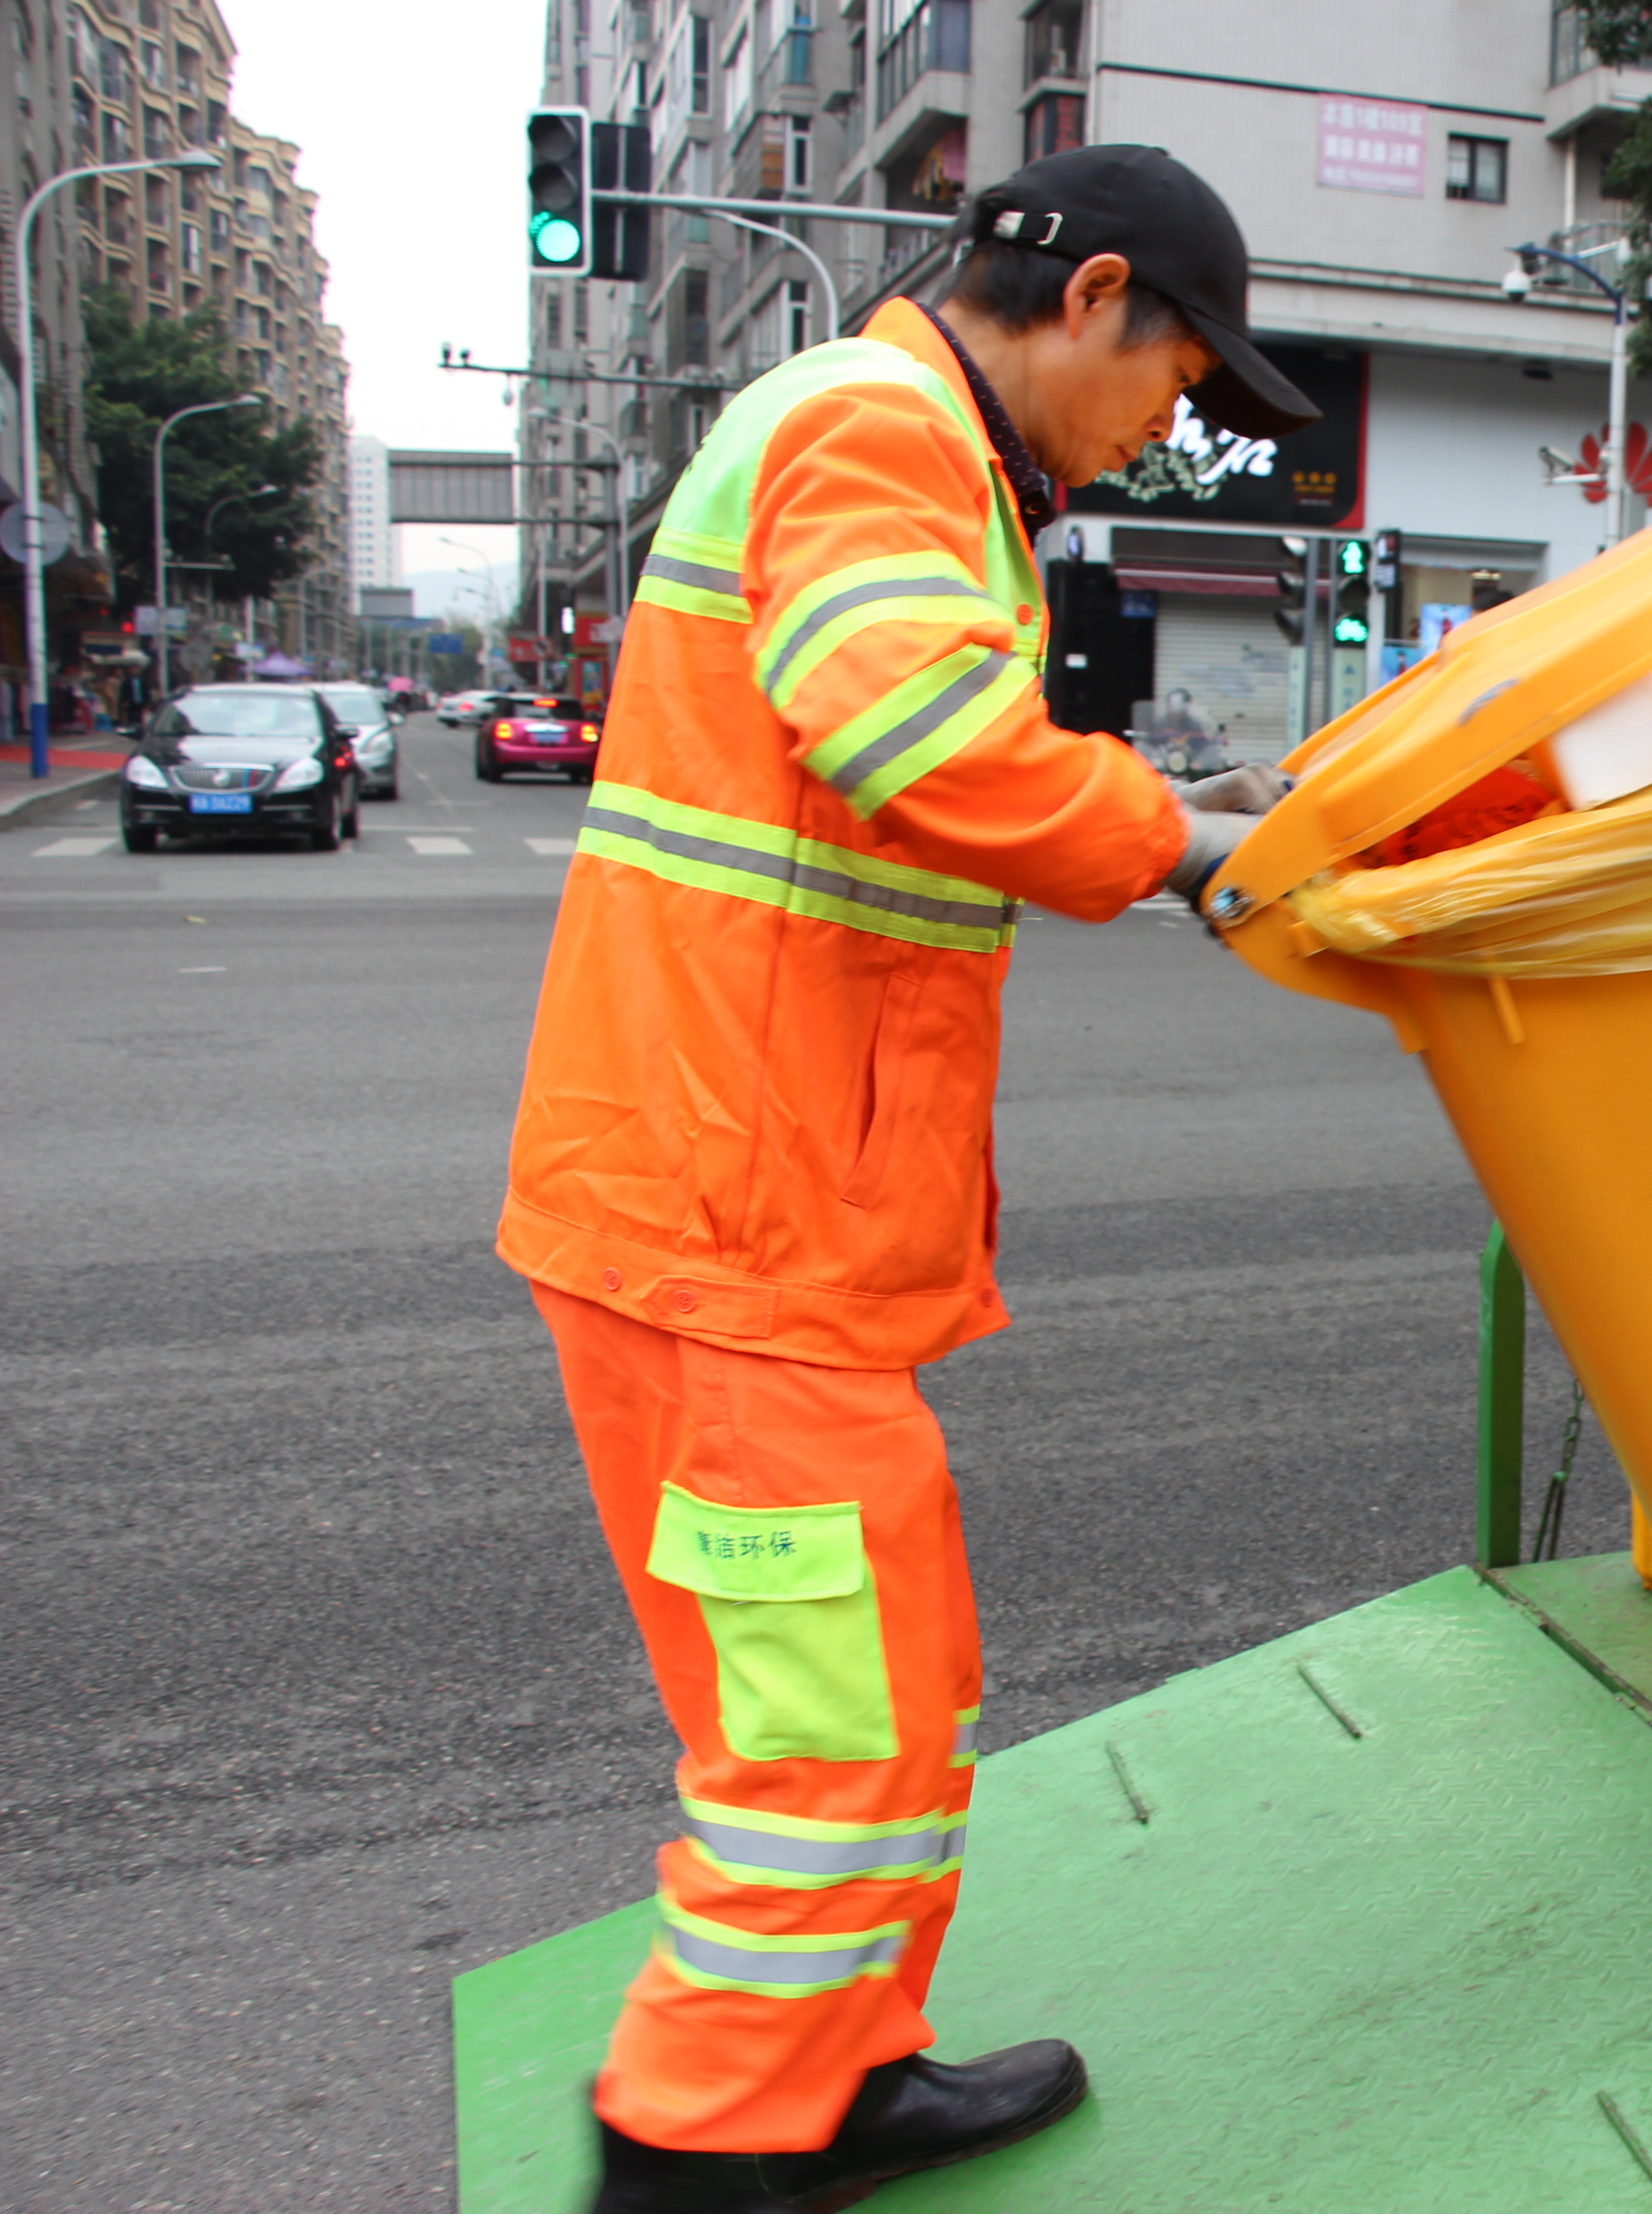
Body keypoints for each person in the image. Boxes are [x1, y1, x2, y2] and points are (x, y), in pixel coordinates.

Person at [494, 145, 1318, 2214]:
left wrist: (1179, 804)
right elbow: (921, 747)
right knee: (817, 1745)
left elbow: (888, 770)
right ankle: (692, 2152)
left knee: (895, 1690)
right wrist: (1185, 841)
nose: (1178, 424)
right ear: (1093, 293)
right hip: (724, 1231)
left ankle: (837, 2076)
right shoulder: (875, 431)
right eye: (1180, 374)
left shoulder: (910, 445)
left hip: (767, 1215)